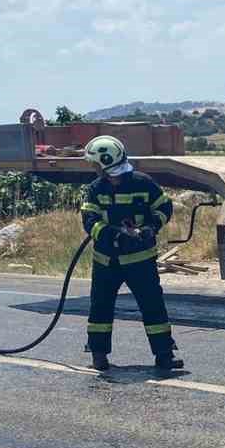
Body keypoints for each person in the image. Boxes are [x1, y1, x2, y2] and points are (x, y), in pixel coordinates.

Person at [78, 135, 183, 375]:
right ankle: (99, 355)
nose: (93, 169)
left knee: (152, 306)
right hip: (107, 261)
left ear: (104, 164)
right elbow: (89, 220)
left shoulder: (144, 183)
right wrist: (113, 236)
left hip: (140, 260)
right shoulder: (96, 189)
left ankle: (165, 355)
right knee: (100, 307)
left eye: (95, 164)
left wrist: (150, 228)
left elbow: (164, 207)